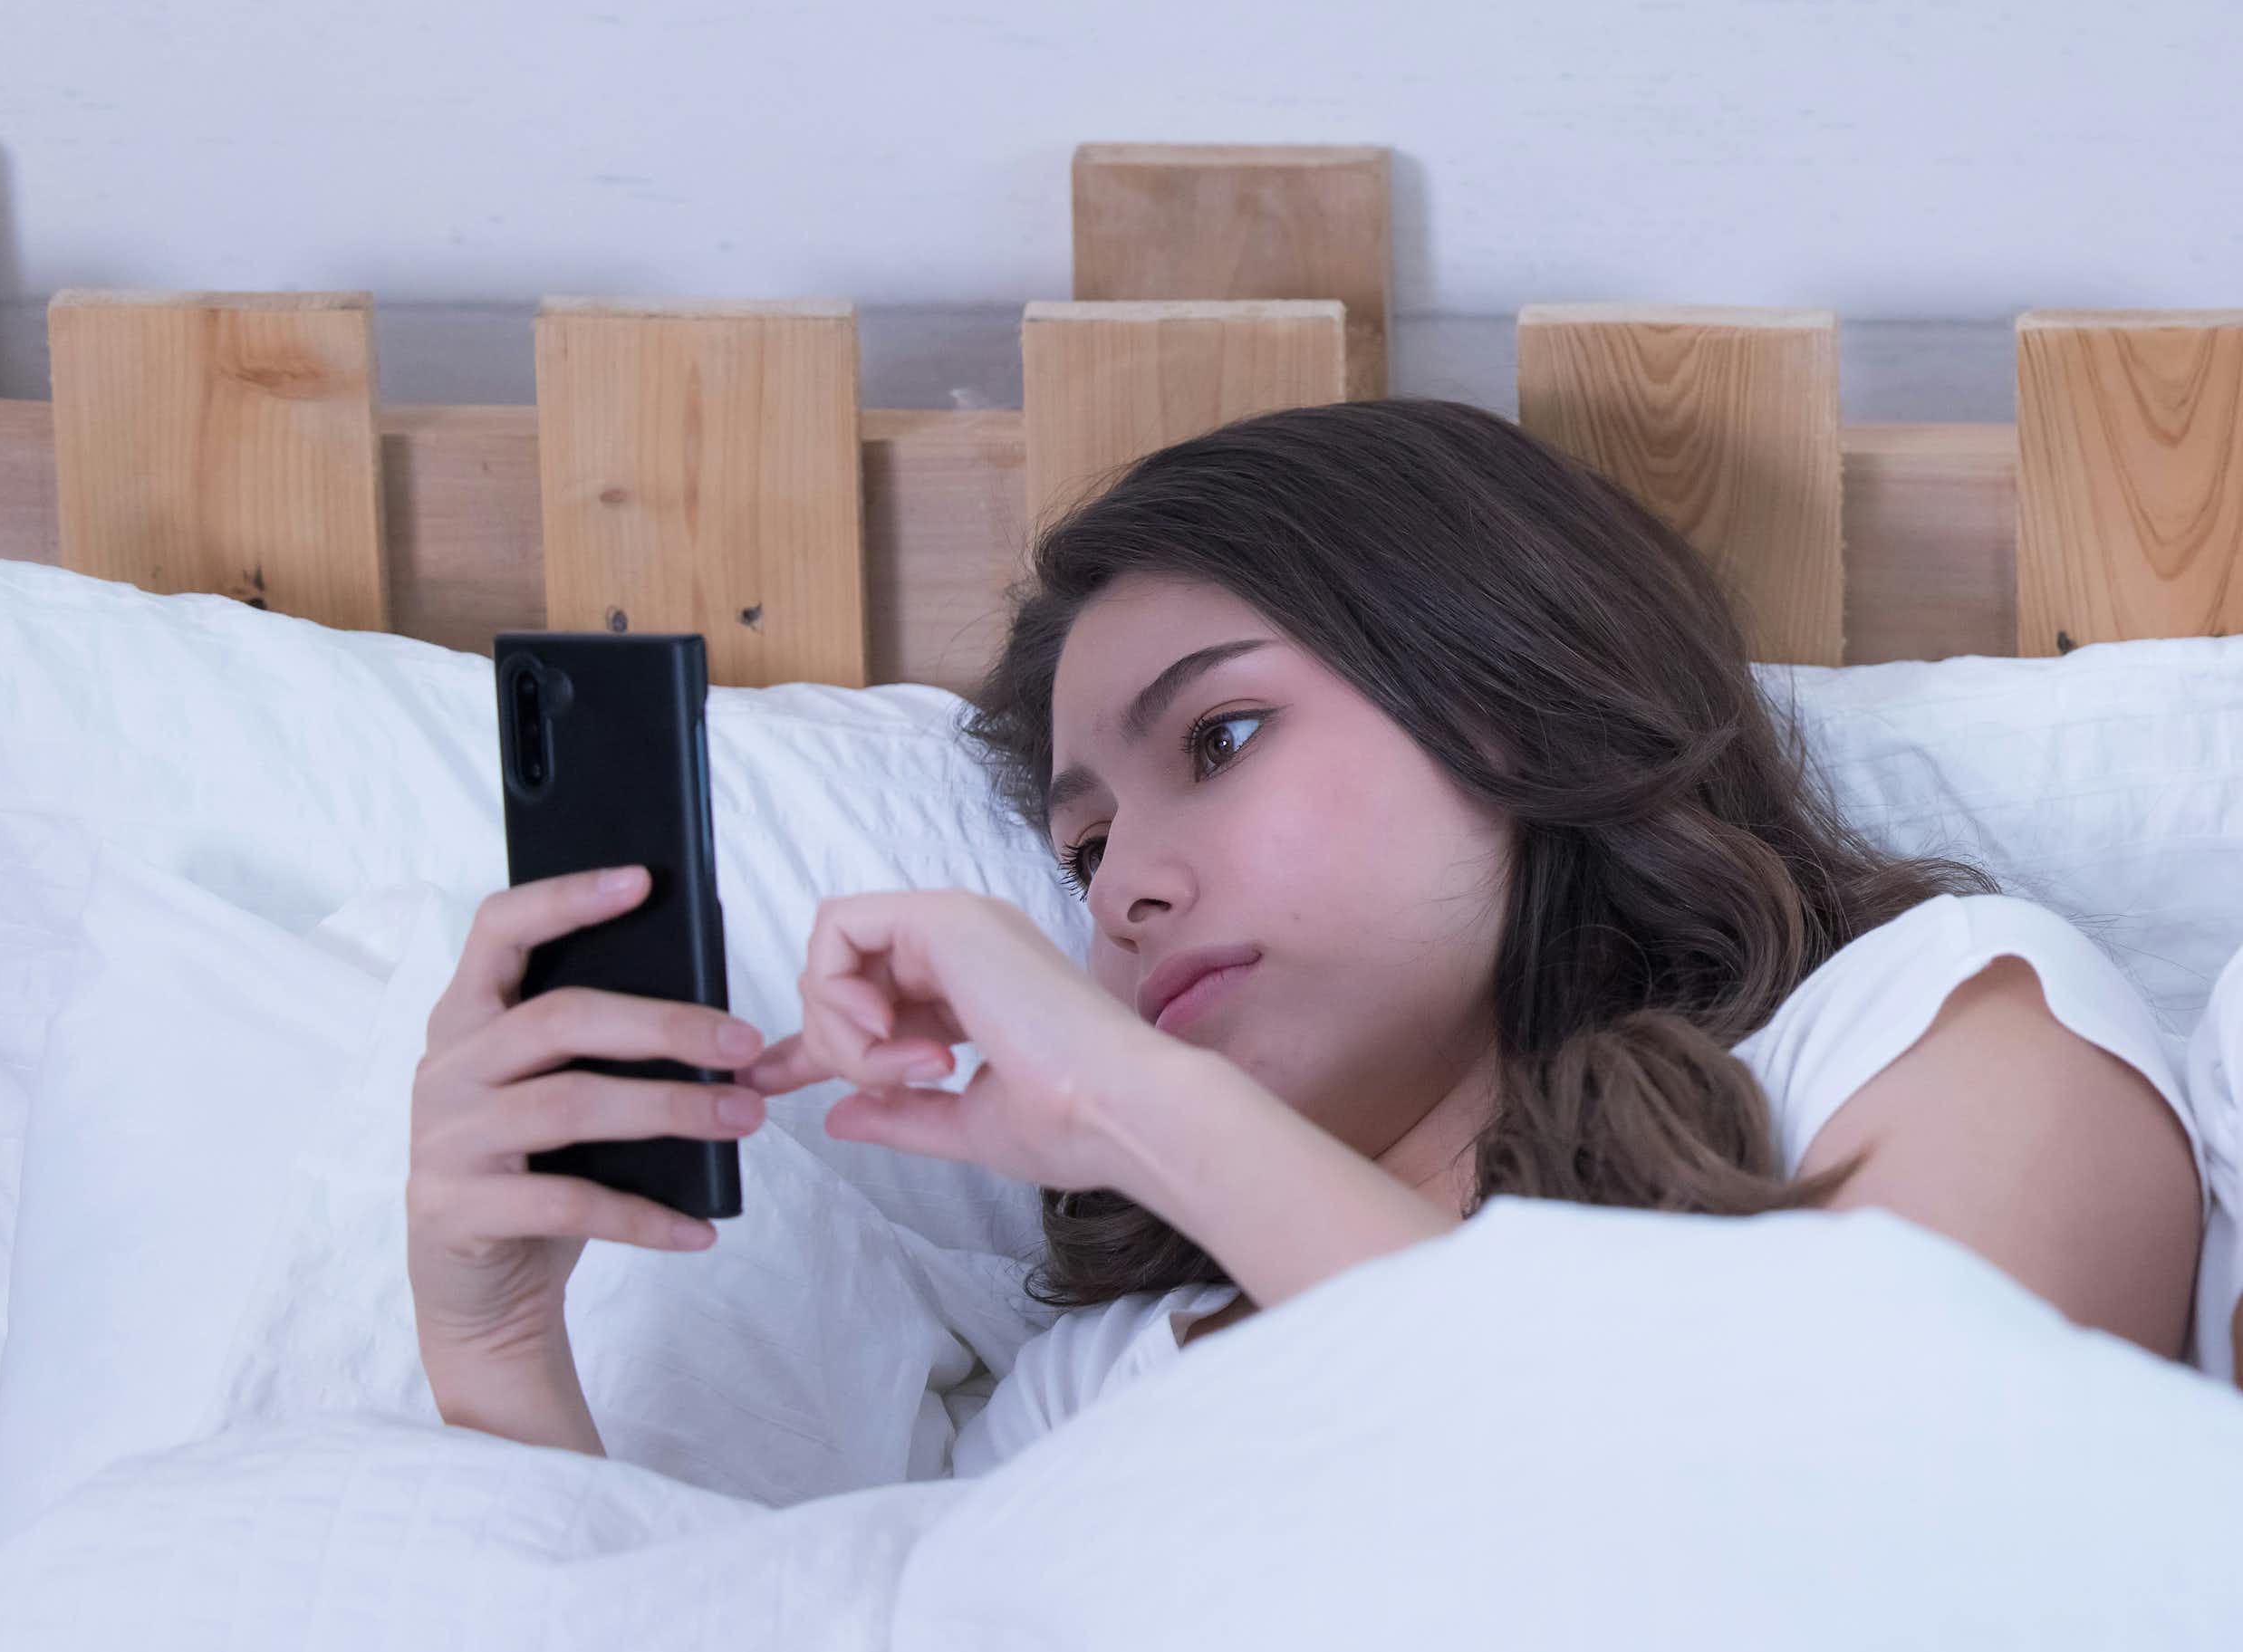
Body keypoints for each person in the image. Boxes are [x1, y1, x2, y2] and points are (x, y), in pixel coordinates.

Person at [404, 399, 2209, 1472]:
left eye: (1223, 737)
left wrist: (1130, 1100)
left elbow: (1813, 1584)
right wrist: (495, 1359)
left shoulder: (1935, 1035)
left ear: (1508, 697)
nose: (1116, 889)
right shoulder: (1102, 1383)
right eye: (1083, 838)